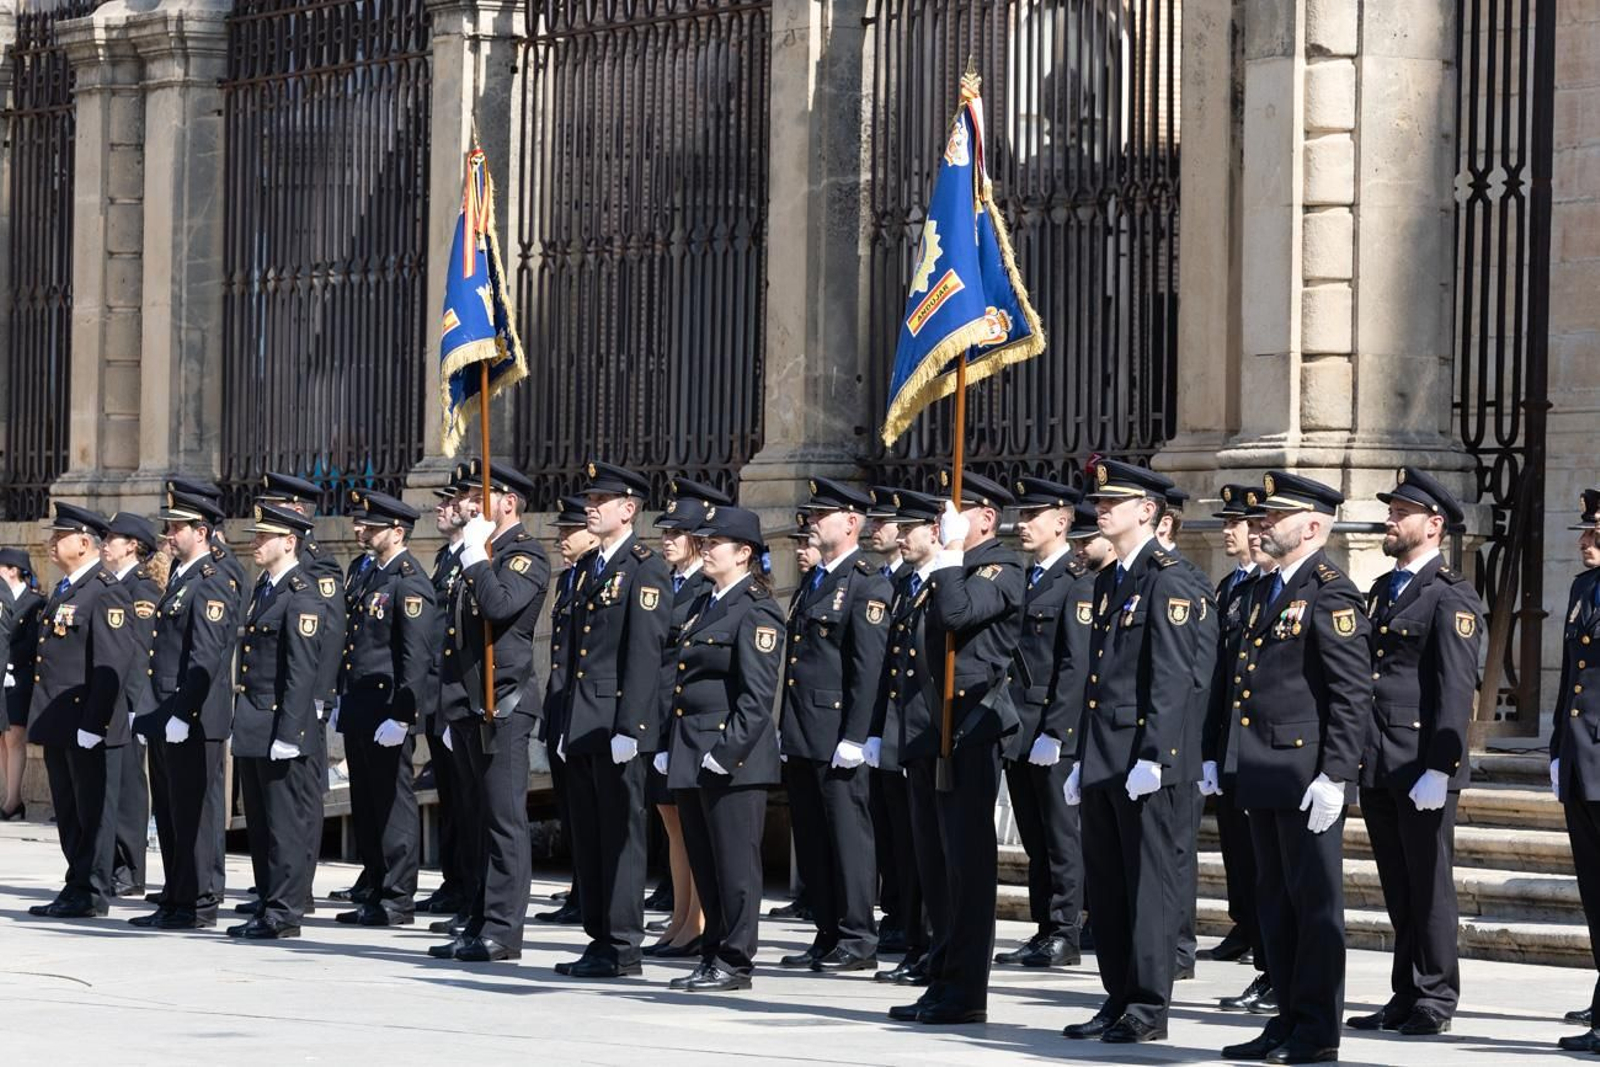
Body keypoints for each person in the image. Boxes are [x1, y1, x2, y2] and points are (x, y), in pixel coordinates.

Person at [1219, 471, 1373, 1066]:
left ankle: (1316, 1031)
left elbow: (1351, 693)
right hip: (1263, 772)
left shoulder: (1331, 590)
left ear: (1312, 526)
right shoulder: (1267, 589)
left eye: (1274, 517)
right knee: (1274, 906)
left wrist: (1336, 775)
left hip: (1306, 776)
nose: (1261, 524)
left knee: (1313, 909)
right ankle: (1284, 1018)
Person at [1062, 460, 1216, 1045]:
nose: (1100, 511)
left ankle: (1149, 1005)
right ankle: (1118, 995)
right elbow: (1101, 678)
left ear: (1147, 511)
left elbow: (1176, 678)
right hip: (1107, 755)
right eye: (1099, 502)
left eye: (1113, 503)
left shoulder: (1169, 578)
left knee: (1150, 887)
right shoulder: (1112, 579)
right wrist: (1082, 756)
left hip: (1147, 760)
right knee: (1109, 885)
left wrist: (1157, 754)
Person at [1347, 467, 1482, 1037]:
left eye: (1400, 512)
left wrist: (1440, 768)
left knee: (1429, 885)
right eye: (1391, 510)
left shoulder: (1451, 595)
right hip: (1380, 759)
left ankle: (1435, 995)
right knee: (1398, 885)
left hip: (1421, 762)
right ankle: (1405, 992)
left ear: (1433, 525)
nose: (1389, 519)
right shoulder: (1384, 589)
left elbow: (1456, 687)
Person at [887, 470, 1022, 1026]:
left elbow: (959, 616)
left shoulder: (1000, 567)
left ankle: (966, 989)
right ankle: (941, 974)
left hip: (968, 729)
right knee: (935, 866)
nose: (942, 523)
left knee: (967, 867)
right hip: (927, 732)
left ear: (984, 518)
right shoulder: (945, 571)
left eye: (953, 512)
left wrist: (946, 561)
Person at [549, 460, 671, 980]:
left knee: (621, 836)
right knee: (590, 835)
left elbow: (645, 654)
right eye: (589, 499)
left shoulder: (645, 568)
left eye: (601, 500)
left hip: (617, 724)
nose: (590, 507)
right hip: (582, 722)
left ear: (629, 509)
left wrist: (633, 727)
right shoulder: (586, 568)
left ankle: (622, 945)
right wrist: (563, 725)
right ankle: (598, 937)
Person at [660, 504, 786, 991]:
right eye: (705, 543)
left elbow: (756, 699)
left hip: (730, 759)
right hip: (692, 750)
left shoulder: (755, 609)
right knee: (707, 863)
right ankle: (712, 953)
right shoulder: (704, 603)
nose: (706, 549)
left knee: (735, 865)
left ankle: (735, 960)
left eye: (715, 544)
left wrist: (724, 754)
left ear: (744, 553)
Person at [429, 460, 550, 963]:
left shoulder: (525, 556)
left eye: (482, 498)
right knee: (478, 818)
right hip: (470, 705)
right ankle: (478, 921)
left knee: (504, 821)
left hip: (505, 704)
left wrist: (477, 558)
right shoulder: (483, 554)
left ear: (509, 502)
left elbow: (500, 609)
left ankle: (503, 929)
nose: (472, 507)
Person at [780, 477, 892, 974]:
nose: (811, 523)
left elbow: (868, 667)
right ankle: (826, 931)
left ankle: (857, 935)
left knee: (847, 837)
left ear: (851, 522)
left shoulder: (867, 581)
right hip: (804, 730)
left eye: (821, 515)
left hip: (837, 733)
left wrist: (856, 735)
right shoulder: (816, 579)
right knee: (813, 837)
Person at [131, 490, 241, 931]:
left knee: (194, 813)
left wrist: (183, 712)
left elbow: (205, 656)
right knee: (172, 813)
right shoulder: (182, 575)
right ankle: (175, 896)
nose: (169, 535)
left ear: (202, 532)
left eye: (177, 528)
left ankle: (197, 902)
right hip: (166, 711)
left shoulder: (212, 580)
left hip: (191, 716)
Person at [24, 503, 139, 919]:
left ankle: (91, 892)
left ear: (85, 542)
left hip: (87, 725)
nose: (52, 543)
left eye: (60, 537)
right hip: (60, 723)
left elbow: (112, 666)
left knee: (93, 814)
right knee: (70, 813)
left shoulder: (105, 591)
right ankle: (76, 885)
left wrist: (94, 723)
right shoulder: (68, 588)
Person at [229, 502, 335, 940]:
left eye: (264, 536)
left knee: (285, 825)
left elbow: (301, 671)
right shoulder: (266, 589)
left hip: (280, 725)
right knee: (261, 823)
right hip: (255, 722)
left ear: (289, 542)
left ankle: (284, 912)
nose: (255, 541)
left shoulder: (303, 594)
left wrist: (290, 732)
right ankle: (269, 902)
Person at [993, 476, 1086, 970]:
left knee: (1060, 835)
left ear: (1061, 520)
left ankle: (1066, 929)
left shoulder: (1076, 579)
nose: (1021, 525)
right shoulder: (1029, 577)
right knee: (1033, 835)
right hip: (1020, 726)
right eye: (1020, 516)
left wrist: (1058, 730)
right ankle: (1043, 927)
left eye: (1032, 516)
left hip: (1052, 729)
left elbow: (1076, 664)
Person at [334, 490, 434, 927]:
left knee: (393, 804)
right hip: (361, 703)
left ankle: (397, 897)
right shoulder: (368, 573)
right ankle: (374, 886)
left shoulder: (408, 580)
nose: (362, 531)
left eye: (372, 526)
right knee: (368, 804)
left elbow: (416, 656)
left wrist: (403, 714)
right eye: (362, 524)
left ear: (397, 531)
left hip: (388, 708)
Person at [644, 477, 728, 958]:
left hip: (685, 720)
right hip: (661, 717)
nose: (667, 539)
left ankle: (696, 919)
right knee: (671, 821)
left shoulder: (703, 587)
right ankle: (681, 914)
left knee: (688, 822)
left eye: (678, 532)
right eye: (666, 531)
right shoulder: (668, 580)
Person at [1199, 485, 1275, 1014]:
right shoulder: (1232, 586)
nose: (1230, 531)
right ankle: (1244, 924)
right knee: (1236, 847)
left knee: (1264, 859)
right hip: (1230, 739)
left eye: (1238, 523)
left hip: (1264, 746)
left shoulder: (1273, 587)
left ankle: (1268, 954)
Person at [867, 488, 941, 988]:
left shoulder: (943, 584)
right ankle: (916, 941)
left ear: (935, 533)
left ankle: (932, 944)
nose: (900, 535)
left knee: (930, 852)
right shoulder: (908, 586)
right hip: (902, 734)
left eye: (910, 528)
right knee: (909, 848)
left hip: (933, 734)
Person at [535, 492, 596, 928]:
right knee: (571, 810)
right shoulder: (567, 579)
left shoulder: (597, 576)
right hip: (562, 709)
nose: (561, 538)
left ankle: (589, 893)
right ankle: (580, 889)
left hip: (586, 712)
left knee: (591, 811)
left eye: (568, 531)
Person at [1553, 488, 1600, 1054]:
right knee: (1593, 891)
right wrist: (1557, 749)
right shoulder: (1581, 588)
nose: (1586, 541)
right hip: (1582, 761)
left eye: (1595, 534)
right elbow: (1571, 678)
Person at [422, 464, 477, 927]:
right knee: (451, 797)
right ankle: (455, 883)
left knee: (470, 801)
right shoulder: (446, 557)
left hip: (463, 693)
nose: (444, 508)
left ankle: (471, 891)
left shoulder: (479, 556)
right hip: (441, 694)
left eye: (452, 501)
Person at [102, 512, 164, 898]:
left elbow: (140, 652)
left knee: (128, 785)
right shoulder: (112, 585)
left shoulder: (141, 590)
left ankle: (130, 867)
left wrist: (132, 704)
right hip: (108, 701)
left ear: (133, 546)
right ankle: (109, 862)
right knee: (109, 785)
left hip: (129, 702)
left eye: (114, 537)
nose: (106, 542)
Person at [865, 485, 910, 952]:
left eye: (886, 522)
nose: (879, 530)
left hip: (908, 726)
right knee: (889, 829)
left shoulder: (908, 583)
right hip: (885, 725)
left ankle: (908, 919)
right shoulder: (881, 581)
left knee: (909, 834)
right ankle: (895, 913)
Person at [1, 547, 44, 821]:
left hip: (20, 676)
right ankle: (6, 794)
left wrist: (12, 665)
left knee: (15, 737)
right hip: (1, 675)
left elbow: (32, 642)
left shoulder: (34, 603)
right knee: (1, 739)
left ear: (13, 570)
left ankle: (13, 800)